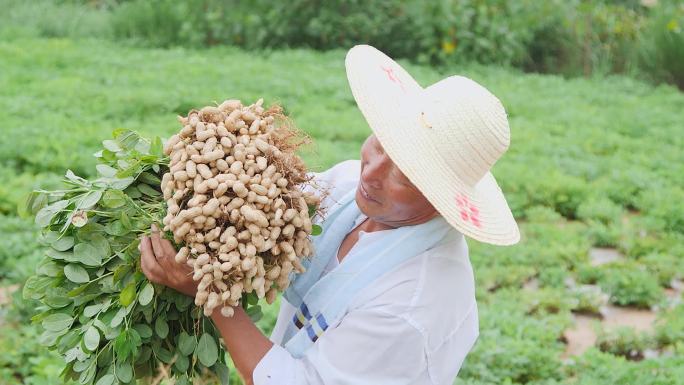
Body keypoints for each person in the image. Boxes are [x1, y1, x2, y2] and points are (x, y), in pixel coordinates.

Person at [140, 44, 520, 385]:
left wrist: (212, 297)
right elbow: (265, 211)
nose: (369, 174)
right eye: (380, 144)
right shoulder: (347, 189)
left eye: (403, 175)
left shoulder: (412, 306)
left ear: (442, 200)